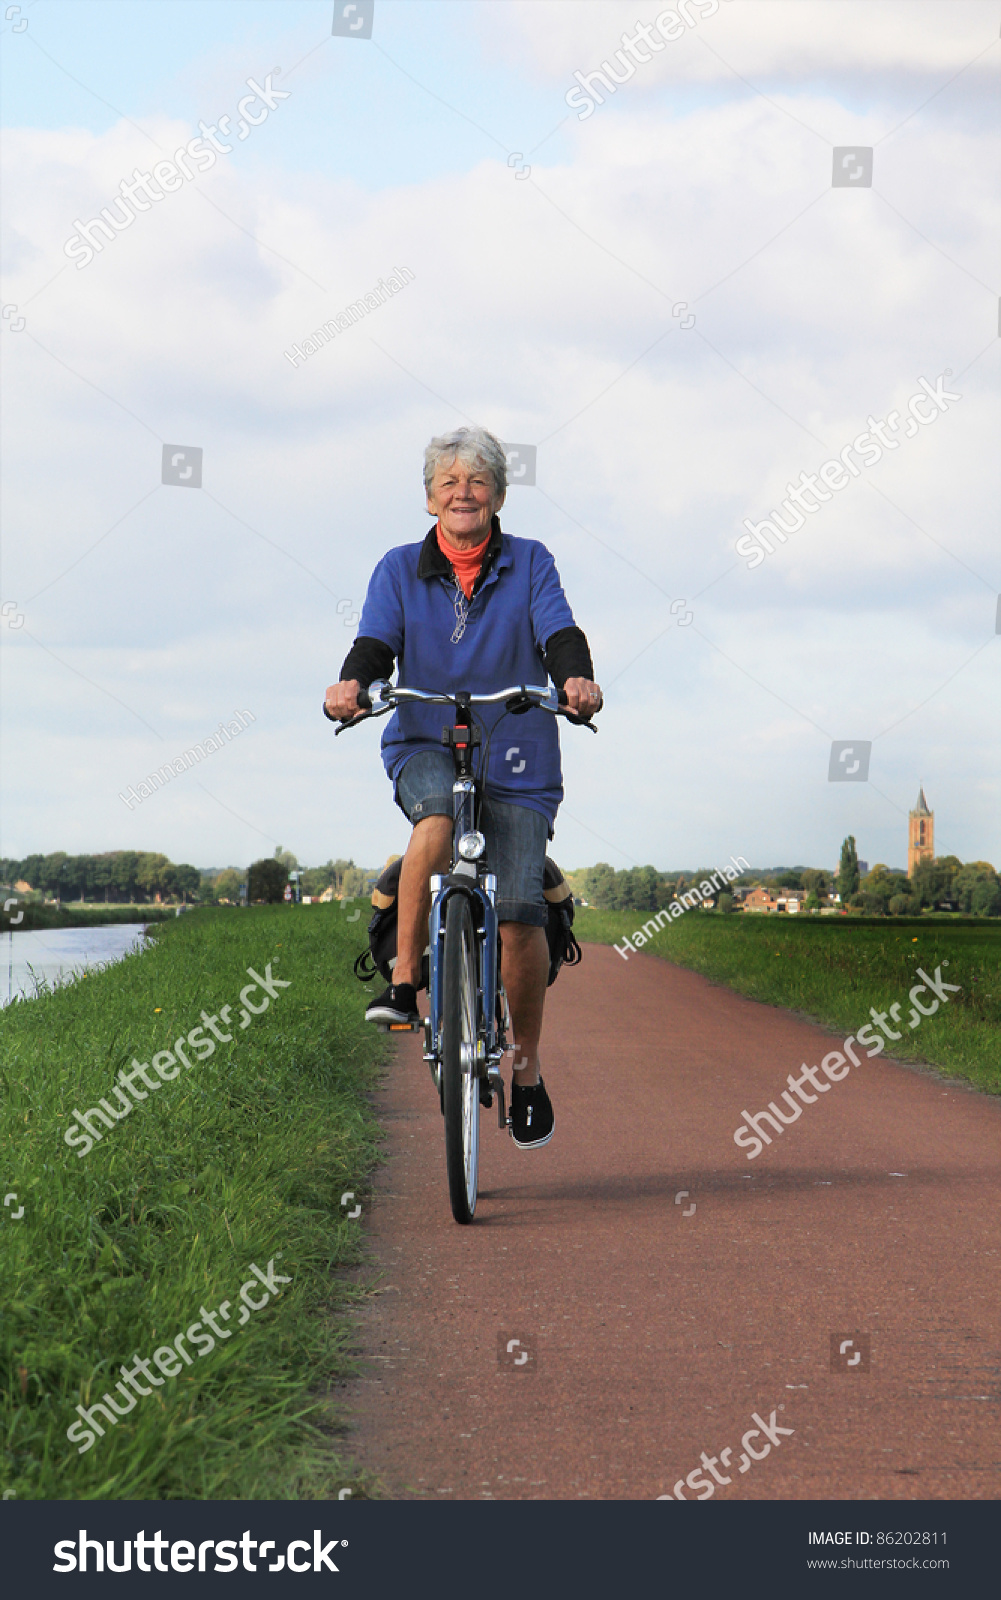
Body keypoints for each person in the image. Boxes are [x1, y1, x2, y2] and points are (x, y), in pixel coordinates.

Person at [324, 427, 601, 1149]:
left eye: (476, 482)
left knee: (516, 913)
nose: (462, 493)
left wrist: (574, 678)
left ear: (499, 496)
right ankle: (405, 983)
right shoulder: (395, 570)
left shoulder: (531, 561)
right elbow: (376, 642)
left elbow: (559, 632)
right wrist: (353, 684)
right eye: (447, 483)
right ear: (428, 500)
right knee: (436, 825)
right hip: (424, 740)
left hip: (517, 751)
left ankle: (529, 1068)